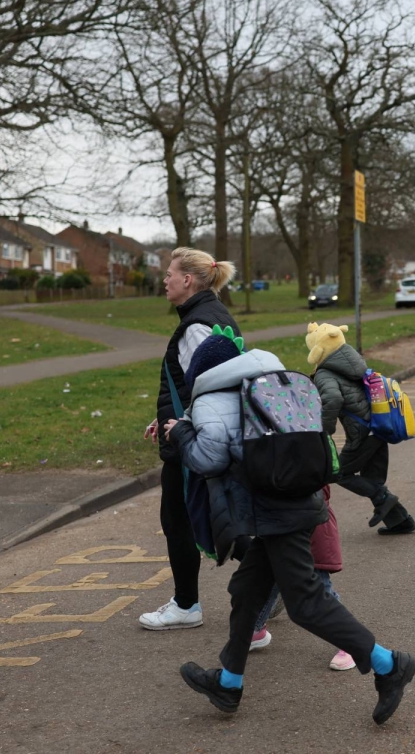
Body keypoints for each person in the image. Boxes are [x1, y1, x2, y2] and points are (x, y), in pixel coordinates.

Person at [165, 332, 415, 724]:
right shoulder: (273, 380)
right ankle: (228, 683)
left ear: (203, 372)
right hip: (298, 499)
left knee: (306, 605)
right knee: (246, 591)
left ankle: (389, 665)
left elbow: (207, 458)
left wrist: (180, 432)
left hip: (276, 514)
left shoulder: (213, 399)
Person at [139, 247, 240, 631]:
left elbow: (213, 385)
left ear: (188, 280)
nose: (164, 280)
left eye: (169, 274)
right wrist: (166, 415)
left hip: (194, 442)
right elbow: (194, 385)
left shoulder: (197, 325)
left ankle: (186, 605)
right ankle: (278, 579)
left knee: (183, 519)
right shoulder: (208, 314)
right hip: (196, 431)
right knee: (217, 517)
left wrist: (181, 425)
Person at [307, 321, 415, 534]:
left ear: (317, 350)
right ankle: (401, 522)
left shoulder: (325, 373)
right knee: (373, 479)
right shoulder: (354, 363)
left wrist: (324, 431)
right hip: (379, 426)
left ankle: (385, 500)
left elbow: (332, 399)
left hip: (362, 432)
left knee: (337, 473)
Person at [249, 484, 358, 671]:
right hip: (280, 525)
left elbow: (317, 485)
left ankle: (351, 641)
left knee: (321, 588)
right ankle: (256, 628)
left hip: (310, 524)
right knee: (270, 578)